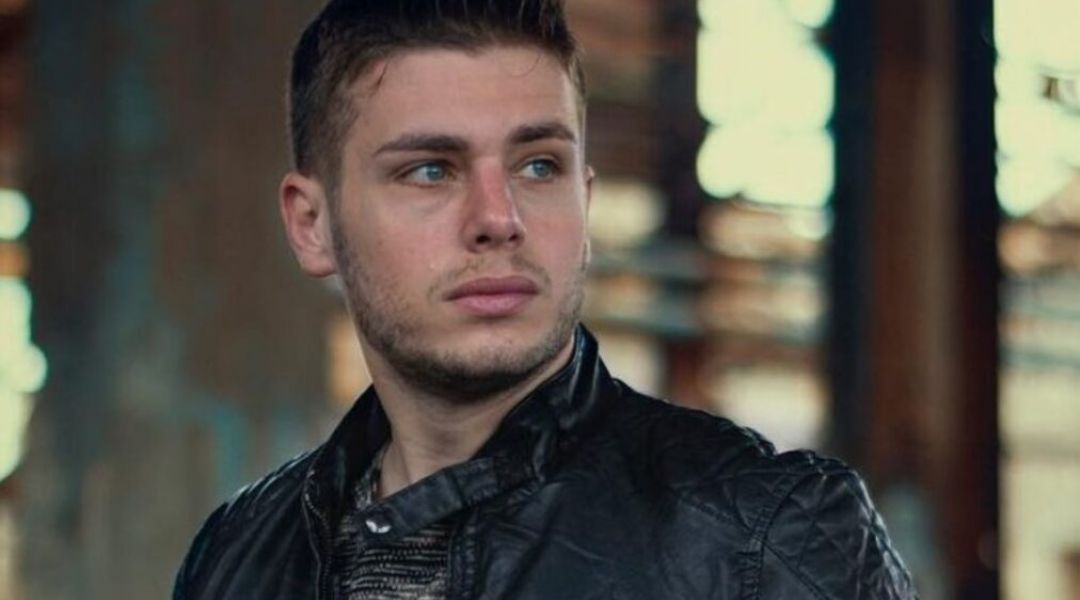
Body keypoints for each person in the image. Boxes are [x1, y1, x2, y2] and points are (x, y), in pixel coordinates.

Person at [173, 1, 916, 598]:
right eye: (430, 170)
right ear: (313, 226)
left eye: (538, 166)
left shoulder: (766, 539)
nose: (500, 219)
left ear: (584, 202)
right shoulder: (237, 551)